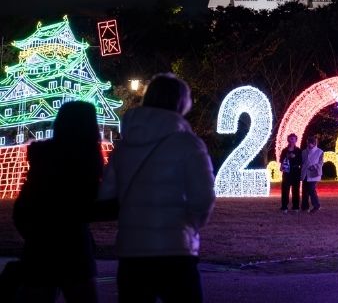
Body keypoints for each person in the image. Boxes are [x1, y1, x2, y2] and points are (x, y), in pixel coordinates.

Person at [98, 73, 216, 303]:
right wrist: (190, 226)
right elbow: (203, 197)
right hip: (176, 251)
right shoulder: (188, 143)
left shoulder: (125, 146)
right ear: (182, 102)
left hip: (132, 253)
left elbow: (106, 195)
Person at [13, 101, 104, 302]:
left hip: (40, 246)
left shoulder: (42, 156)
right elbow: (88, 203)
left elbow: (22, 206)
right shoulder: (87, 156)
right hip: (74, 246)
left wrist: (33, 233)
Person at [279, 133, 303, 212]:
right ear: (288, 140)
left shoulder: (298, 150)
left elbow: (301, 161)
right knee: (285, 189)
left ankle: (295, 207)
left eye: (293, 139)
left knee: (296, 189)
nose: (292, 140)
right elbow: (281, 160)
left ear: (296, 140)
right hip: (287, 172)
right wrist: (287, 157)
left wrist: (294, 157)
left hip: (295, 171)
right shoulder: (284, 150)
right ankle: (284, 206)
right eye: (290, 139)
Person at [301, 135, 323, 213]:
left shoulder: (320, 152)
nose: (309, 144)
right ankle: (304, 207)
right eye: (308, 143)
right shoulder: (304, 152)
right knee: (304, 190)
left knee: (311, 190)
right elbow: (303, 162)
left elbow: (321, 163)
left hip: (314, 173)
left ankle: (316, 205)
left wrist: (314, 166)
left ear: (314, 143)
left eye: (311, 143)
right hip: (305, 173)